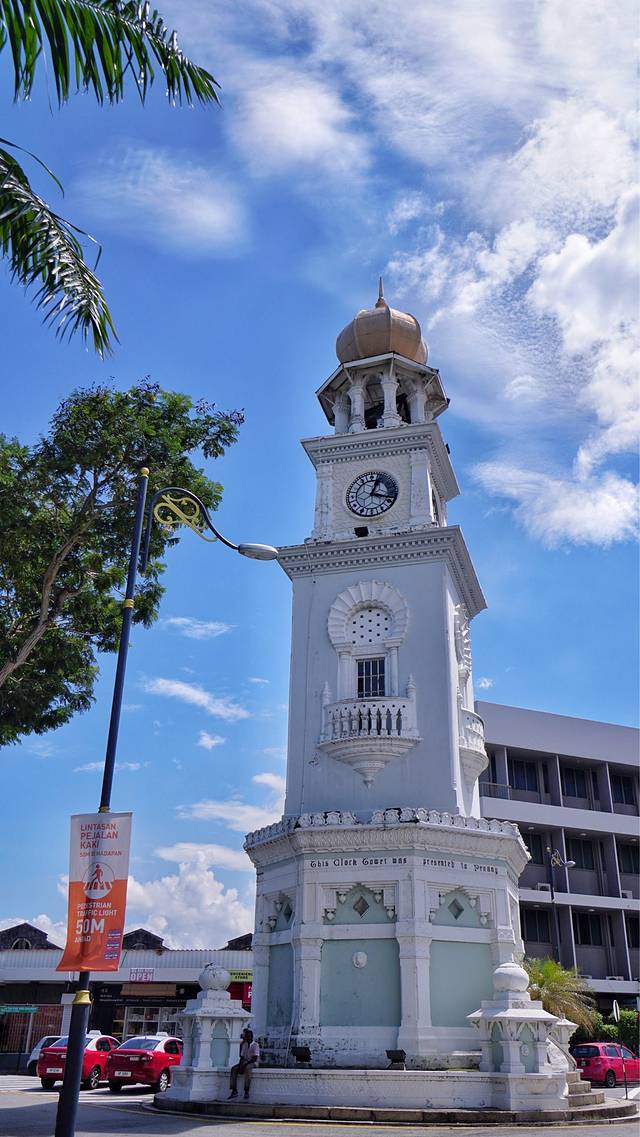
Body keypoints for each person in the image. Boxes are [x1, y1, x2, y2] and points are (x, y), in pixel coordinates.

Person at [228, 1028, 260, 1100]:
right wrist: (240, 1065)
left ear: (251, 1037)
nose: (247, 1038)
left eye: (248, 1037)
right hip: (245, 1061)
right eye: (246, 1037)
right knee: (234, 1069)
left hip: (253, 1062)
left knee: (247, 1069)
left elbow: (254, 1058)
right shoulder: (244, 1044)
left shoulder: (255, 1045)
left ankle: (246, 1091)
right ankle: (234, 1090)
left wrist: (244, 1065)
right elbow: (242, 1057)